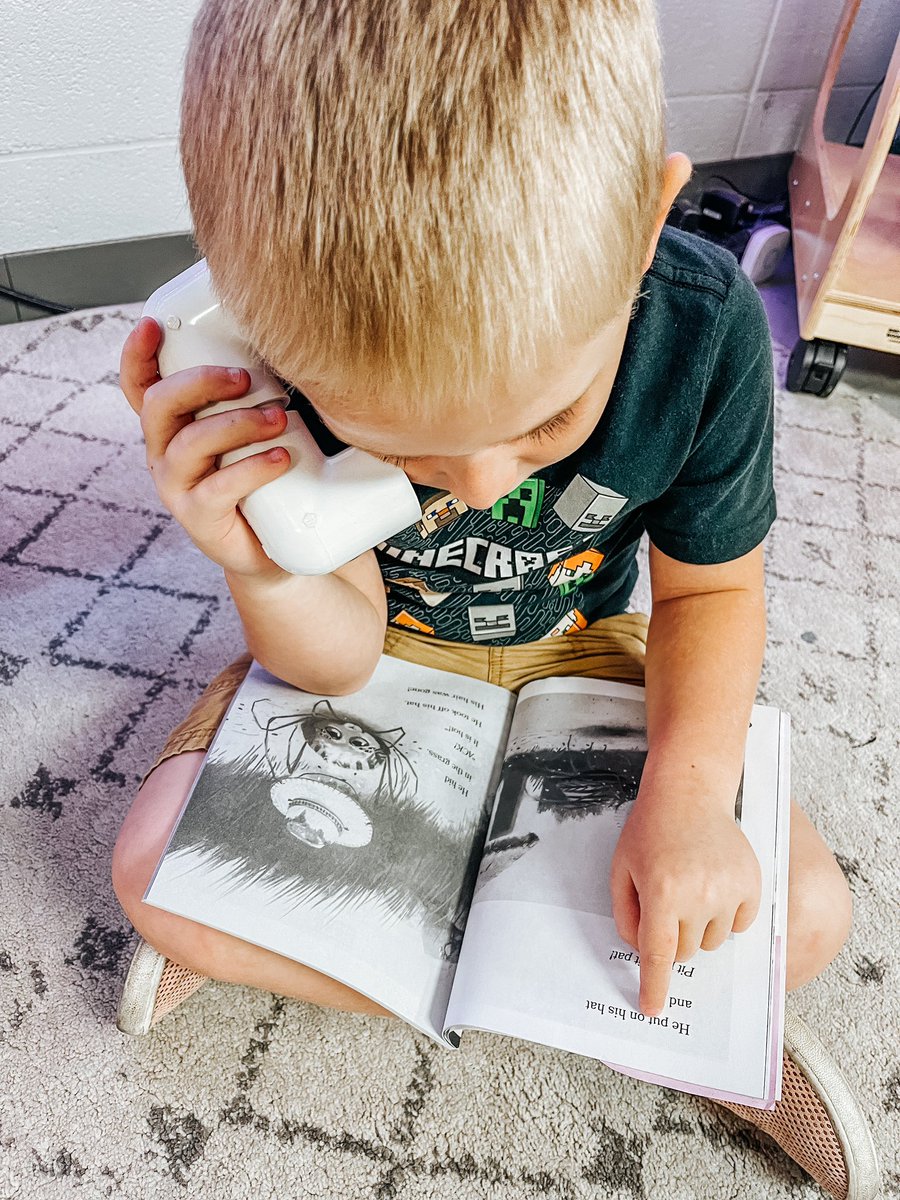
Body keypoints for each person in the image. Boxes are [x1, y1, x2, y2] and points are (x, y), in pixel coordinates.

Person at [111, 2, 879, 1195]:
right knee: (154, 874)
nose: (475, 486)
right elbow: (339, 658)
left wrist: (684, 803)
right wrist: (261, 560)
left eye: (545, 423)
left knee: (809, 917)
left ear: (643, 236)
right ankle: (598, 1010)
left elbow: (712, 592)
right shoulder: (276, 362)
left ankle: (384, 947)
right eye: (404, 449)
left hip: (592, 645)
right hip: (377, 646)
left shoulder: (702, 325)